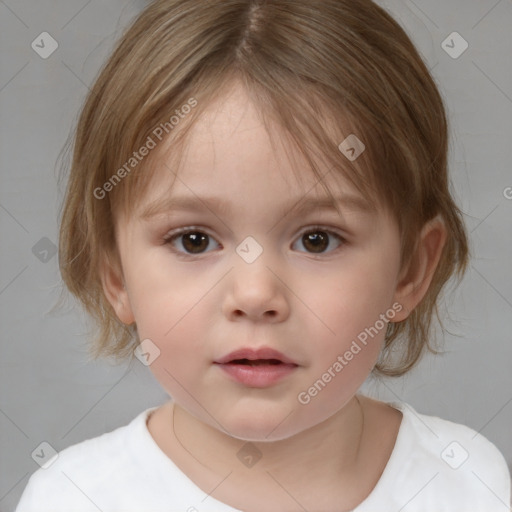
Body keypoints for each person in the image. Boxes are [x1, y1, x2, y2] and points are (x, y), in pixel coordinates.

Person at [16, 0, 511, 510]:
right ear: (115, 275)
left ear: (410, 270)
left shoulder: (468, 482)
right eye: (194, 240)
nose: (255, 295)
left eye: (317, 239)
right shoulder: (76, 497)